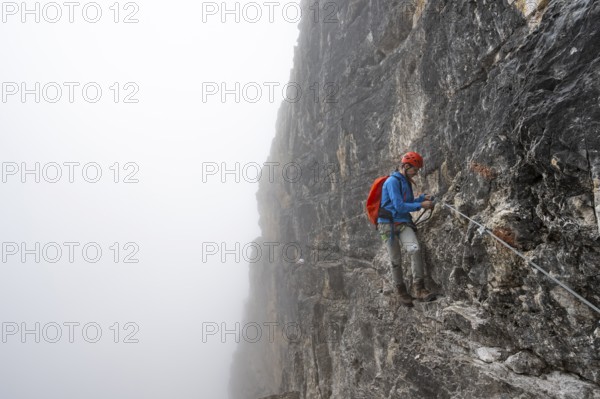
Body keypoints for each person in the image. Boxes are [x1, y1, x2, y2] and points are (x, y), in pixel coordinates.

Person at [378, 151, 435, 307]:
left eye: (416, 170)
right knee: (395, 260)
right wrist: (420, 205)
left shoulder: (406, 182)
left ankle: (419, 288)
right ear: (406, 166)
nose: (416, 173)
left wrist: (421, 199)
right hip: (387, 225)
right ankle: (401, 292)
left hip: (402, 223)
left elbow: (408, 202)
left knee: (415, 249)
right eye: (414, 170)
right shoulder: (392, 182)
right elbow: (399, 206)